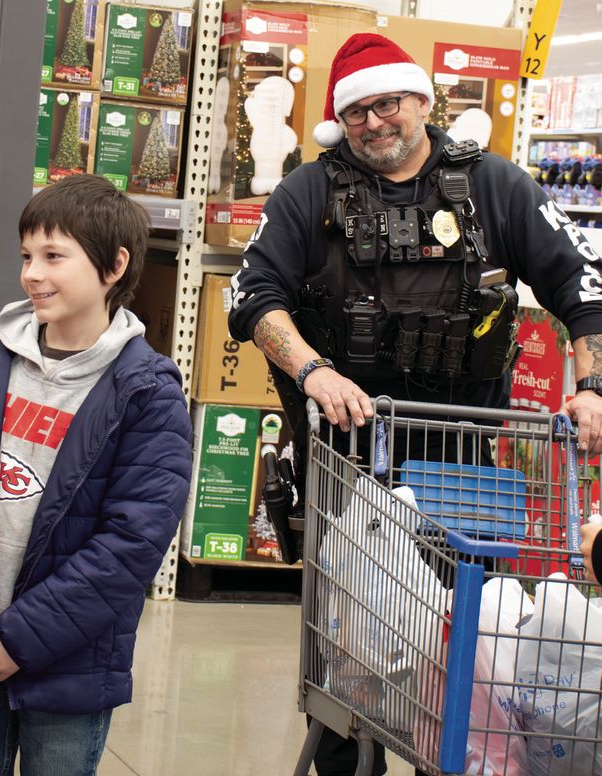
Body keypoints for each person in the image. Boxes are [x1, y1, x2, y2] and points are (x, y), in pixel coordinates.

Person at [228, 33, 602, 776]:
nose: (374, 122)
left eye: (388, 103)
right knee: (349, 664)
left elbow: (583, 288)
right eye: (357, 111)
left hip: (464, 466)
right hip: (348, 462)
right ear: (341, 121)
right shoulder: (308, 191)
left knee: (474, 656)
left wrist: (591, 385)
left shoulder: (497, 186)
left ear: (423, 101)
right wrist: (313, 371)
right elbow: (252, 296)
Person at [0, 174, 193, 776]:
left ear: (114, 266)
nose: (32, 273)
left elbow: (131, 543)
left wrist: (22, 639)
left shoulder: (146, 392)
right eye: (26, 255)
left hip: (71, 663)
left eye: (54, 256)